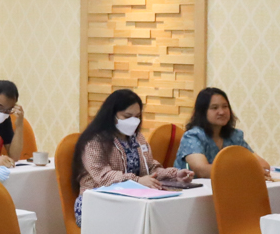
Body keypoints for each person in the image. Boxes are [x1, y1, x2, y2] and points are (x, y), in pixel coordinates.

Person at [71, 89, 192, 225]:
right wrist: (138, 181)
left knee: (165, 217)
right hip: (96, 203)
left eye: (137, 116)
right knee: (148, 222)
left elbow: (150, 168)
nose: (133, 121)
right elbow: (103, 176)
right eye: (127, 116)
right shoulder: (94, 141)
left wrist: (175, 175)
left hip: (131, 200)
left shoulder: (138, 138)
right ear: (111, 115)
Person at [177, 87, 271, 178]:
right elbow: (202, 171)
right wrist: (243, 171)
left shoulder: (234, 136)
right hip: (193, 188)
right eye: (214, 108)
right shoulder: (192, 136)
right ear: (202, 112)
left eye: (225, 106)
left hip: (227, 185)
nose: (222, 112)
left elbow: (263, 166)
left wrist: (246, 170)